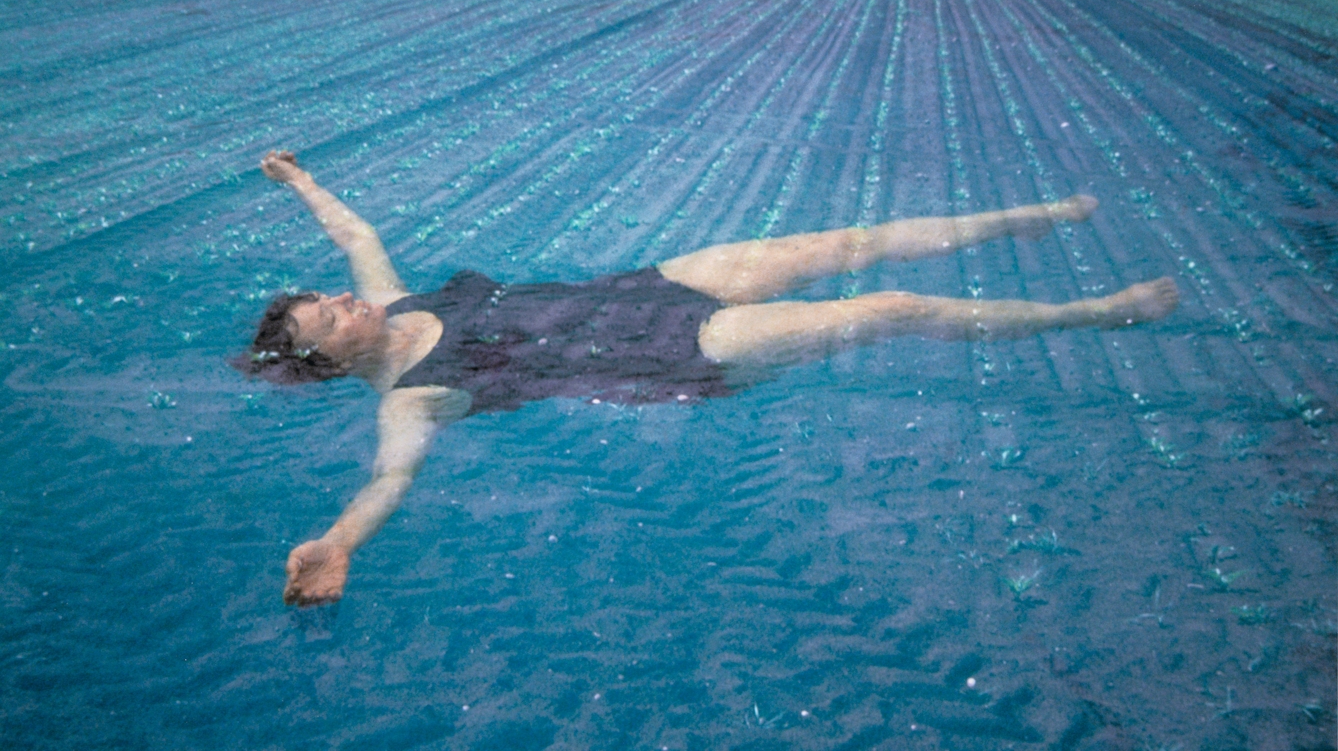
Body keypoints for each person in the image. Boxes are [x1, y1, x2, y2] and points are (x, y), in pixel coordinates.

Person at [240, 150, 1179, 606]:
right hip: (679, 354)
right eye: (333, 315)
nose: (348, 301)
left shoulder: (393, 306)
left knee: (841, 243)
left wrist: (299, 181)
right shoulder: (412, 397)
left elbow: (356, 238)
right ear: (329, 359)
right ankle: (1094, 314)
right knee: (888, 308)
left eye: (336, 298)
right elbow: (391, 477)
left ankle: (1023, 219)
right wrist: (342, 541)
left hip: (651, 287)